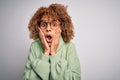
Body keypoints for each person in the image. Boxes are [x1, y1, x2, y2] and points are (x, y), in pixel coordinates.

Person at [23, 3, 81, 80]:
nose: (48, 29)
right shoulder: (34, 46)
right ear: (38, 28)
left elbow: (76, 78)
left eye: (54, 25)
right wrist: (46, 53)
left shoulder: (69, 47)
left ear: (62, 27)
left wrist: (53, 52)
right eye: (44, 24)